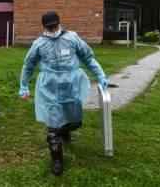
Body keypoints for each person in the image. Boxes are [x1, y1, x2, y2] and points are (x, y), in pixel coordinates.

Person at [18, 11, 109, 175]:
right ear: (44, 28)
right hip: (49, 87)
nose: (53, 30)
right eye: (49, 28)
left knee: (76, 121)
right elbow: (28, 65)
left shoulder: (72, 38)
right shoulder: (39, 44)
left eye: (55, 26)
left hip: (71, 86)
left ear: (60, 23)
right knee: (52, 128)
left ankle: (64, 130)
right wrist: (23, 85)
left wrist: (100, 75)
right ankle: (57, 159)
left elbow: (88, 58)